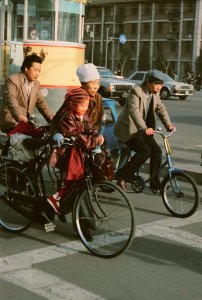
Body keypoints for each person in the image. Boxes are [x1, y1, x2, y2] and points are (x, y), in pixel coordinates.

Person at [114, 69, 176, 192]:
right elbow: (134, 112)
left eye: (161, 84)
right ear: (148, 82)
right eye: (156, 84)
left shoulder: (155, 93)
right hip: (129, 129)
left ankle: (154, 182)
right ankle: (123, 176)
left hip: (143, 130)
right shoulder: (136, 91)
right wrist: (144, 128)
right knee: (145, 151)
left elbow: (160, 109)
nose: (159, 87)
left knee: (157, 152)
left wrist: (169, 125)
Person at [47, 88, 105, 214]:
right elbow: (75, 136)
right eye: (82, 105)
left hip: (81, 150)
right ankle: (57, 198)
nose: (85, 108)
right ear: (73, 104)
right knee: (75, 179)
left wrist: (97, 136)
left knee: (80, 180)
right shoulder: (68, 116)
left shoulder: (83, 115)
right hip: (69, 152)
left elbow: (90, 129)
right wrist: (93, 141)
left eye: (86, 105)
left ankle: (61, 201)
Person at [0, 54, 53, 133]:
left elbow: (41, 102)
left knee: (42, 135)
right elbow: (11, 100)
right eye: (35, 70)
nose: (37, 74)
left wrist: (51, 117)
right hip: (12, 119)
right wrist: (19, 116)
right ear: (26, 68)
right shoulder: (12, 80)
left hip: (27, 122)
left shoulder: (36, 84)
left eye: (39, 71)